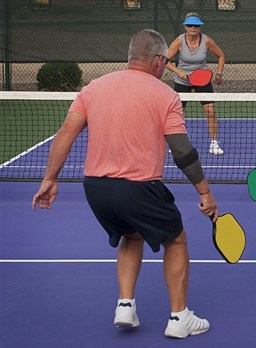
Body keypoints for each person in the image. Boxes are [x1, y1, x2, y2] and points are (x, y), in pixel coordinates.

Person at [32, 29, 218, 339]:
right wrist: (206, 193)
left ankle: (125, 306)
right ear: (159, 61)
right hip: (138, 188)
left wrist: (50, 179)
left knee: (131, 236)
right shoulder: (166, 95)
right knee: (176, 239)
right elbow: (182, 151)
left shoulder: (94, 88)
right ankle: (179, 317)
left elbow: (66, 133)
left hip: (95, 189)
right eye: (165, 62)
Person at [166, 12, 226, 156]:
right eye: (190, 25)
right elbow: (165, 60)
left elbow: (221, 55)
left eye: (196, 25)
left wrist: (219, 73)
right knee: (178, 114)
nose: (193, 27)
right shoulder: (179, 41)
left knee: (210, 111)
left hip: (202, 80)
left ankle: (214, 144)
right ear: (185, 27)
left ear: (200, 27)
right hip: (182, 81)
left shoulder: (206, 41)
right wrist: (179, 72)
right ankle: (177, 143)